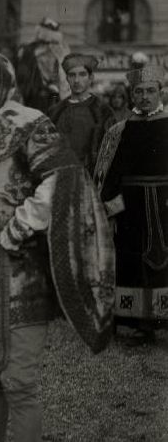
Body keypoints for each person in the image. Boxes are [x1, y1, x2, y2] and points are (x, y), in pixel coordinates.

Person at [0, 51, 114, 442]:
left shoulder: (27, 122)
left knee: (20, 381)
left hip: (19, 268)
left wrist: (17, 226)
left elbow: (62, 178)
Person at [95, 64, 168, 341]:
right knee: (132, 261)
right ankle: (138, 321)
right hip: (131, 208)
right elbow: (107, 173)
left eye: (150, 91)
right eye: (139, 91)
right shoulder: (119, 130)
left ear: (159, 92)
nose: (145, 96)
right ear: (132, 95)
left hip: (165, 204)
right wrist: (111, 209)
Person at [47, 54, 116, 176]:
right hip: (60, 178)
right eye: (72, 75)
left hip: (90, 179)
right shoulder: (55, 112)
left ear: (91, 77)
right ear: (67, 78)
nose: (77, 80)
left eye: (82, 74)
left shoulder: (103, 111)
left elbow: (112, 152)